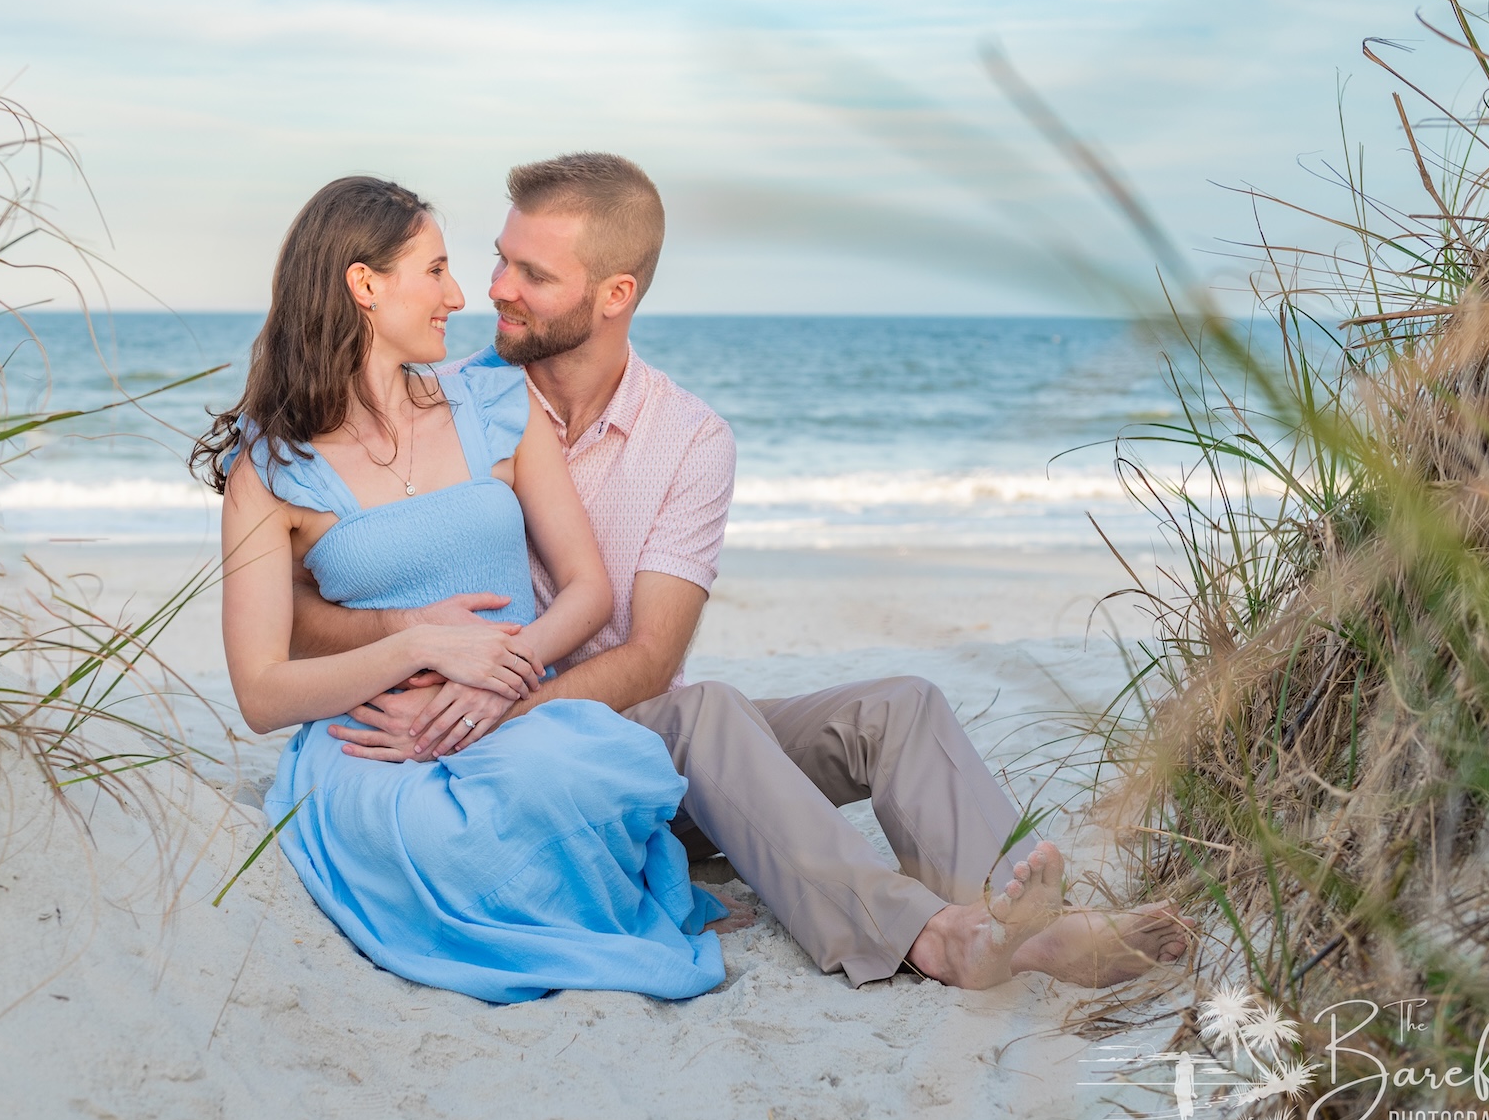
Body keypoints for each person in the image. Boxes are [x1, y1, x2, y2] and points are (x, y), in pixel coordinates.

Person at [294, 153, 1188, 992]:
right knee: (706, 711)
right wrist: (418, 661)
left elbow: (649, 660)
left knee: (900, 705)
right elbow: (323, 575)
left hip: (630, 735)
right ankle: (929, 937)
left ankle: (1018, 922)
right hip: (544, 768)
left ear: (616, 294)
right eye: (499, 261)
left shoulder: (689, 439)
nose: (494, 289)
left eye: (533, 274)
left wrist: (496, 702)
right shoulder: (444, 398)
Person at [193, 176, 752, 1004]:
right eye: (437, 271)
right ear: (365, 286)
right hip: (375, 737)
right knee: (434, 831)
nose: (462, 296)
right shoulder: (269, 473)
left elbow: (588, 592)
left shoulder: (495, 403)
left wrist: (502, 674)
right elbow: (263, 692)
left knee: (574, 775)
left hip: (510, 709)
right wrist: (414, 643)